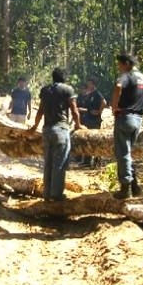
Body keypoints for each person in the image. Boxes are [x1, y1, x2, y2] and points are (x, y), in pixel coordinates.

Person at [28, 68, 85, 201]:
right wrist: (78, 125)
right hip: (61, 129)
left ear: (53, 77)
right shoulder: (67, 89)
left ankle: (47, 194)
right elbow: (75, 111)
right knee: (60, 163)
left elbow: (40, 111)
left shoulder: (45, 90)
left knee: (48, 163)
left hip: (46, 130)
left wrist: (34, 126)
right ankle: (57, 195)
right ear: (64, 77)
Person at [110, 53, 143, 199]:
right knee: (128, 153)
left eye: (120, 65)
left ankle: (126, 188)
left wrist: (114, 107)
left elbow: (118, 86)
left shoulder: (127, 75)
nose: (119, 68)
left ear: (126, 64)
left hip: (125, 117)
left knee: (122, 153)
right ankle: (135, 186)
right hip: (138, 120)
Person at [76, 77, 107, 166]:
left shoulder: (97, 93)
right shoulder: (89, 94)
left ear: (93, 84)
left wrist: (99, 112)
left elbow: (104, 102)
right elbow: (88, 108)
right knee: (87, 140)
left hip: (94, 121)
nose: (88, 85)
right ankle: (87, 161)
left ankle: (97, 161)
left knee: (94, 140)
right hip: (88, 120)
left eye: (89, 83)